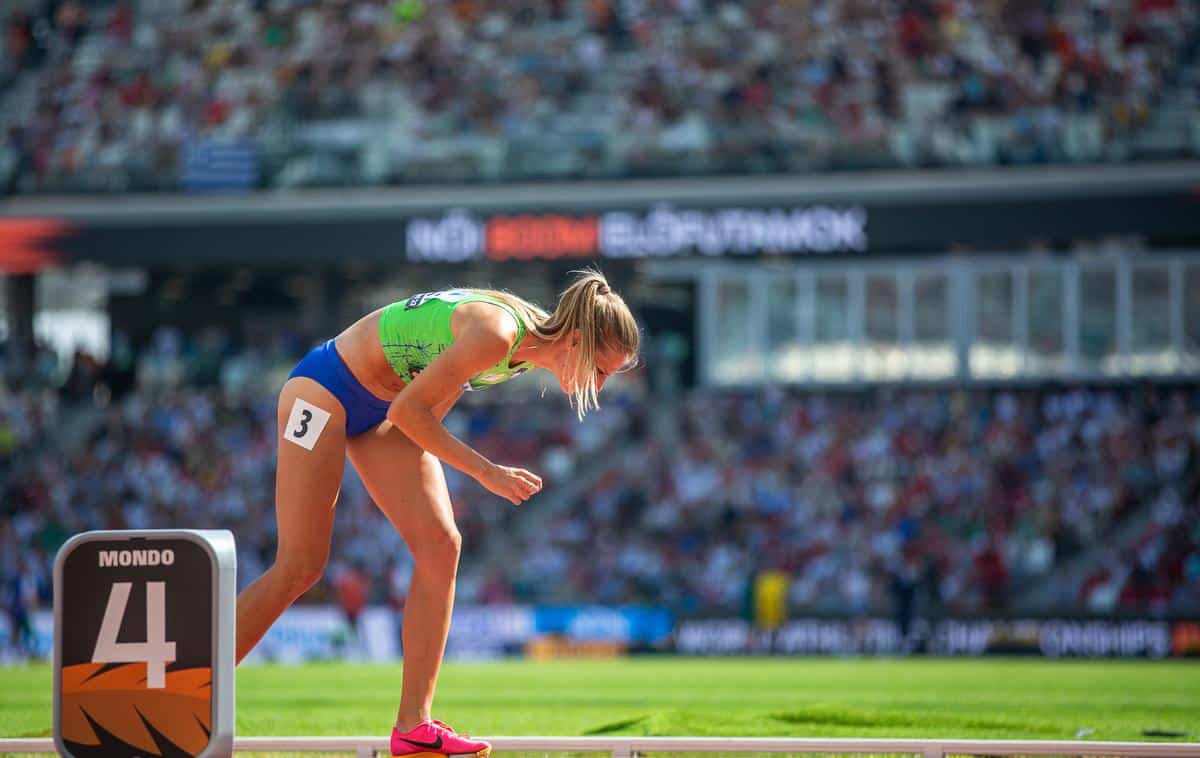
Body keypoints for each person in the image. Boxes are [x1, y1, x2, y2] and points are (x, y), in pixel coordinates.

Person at [235, 269, 639, 758]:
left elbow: (421, 409)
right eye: (600, 369)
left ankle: (414, 726)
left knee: (442, 547)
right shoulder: (501, 334)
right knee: (300, 566)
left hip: (381, 411)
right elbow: (410, 411)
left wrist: (427, 471)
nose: (597, 386)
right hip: (323, 391)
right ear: (576, 339)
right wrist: (486, 471)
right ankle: (197, 683)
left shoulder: (523, 354)